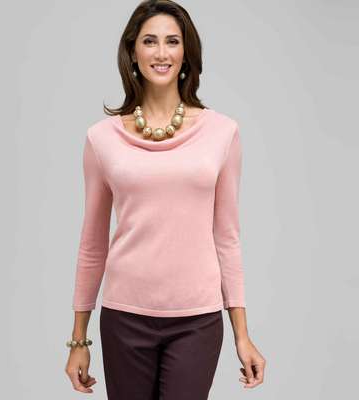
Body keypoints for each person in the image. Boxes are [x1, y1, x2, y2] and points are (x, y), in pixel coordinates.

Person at [65, 1, 266, 398]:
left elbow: (227, 238)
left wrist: (242, 335)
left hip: (197, 320)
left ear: (186, 52)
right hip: (124, 318)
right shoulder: (101, 139)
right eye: (150, 41)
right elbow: (92, 243)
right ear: (132, 52)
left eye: (172, 41)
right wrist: (78, 340)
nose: (161, 53)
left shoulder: (222, 133)